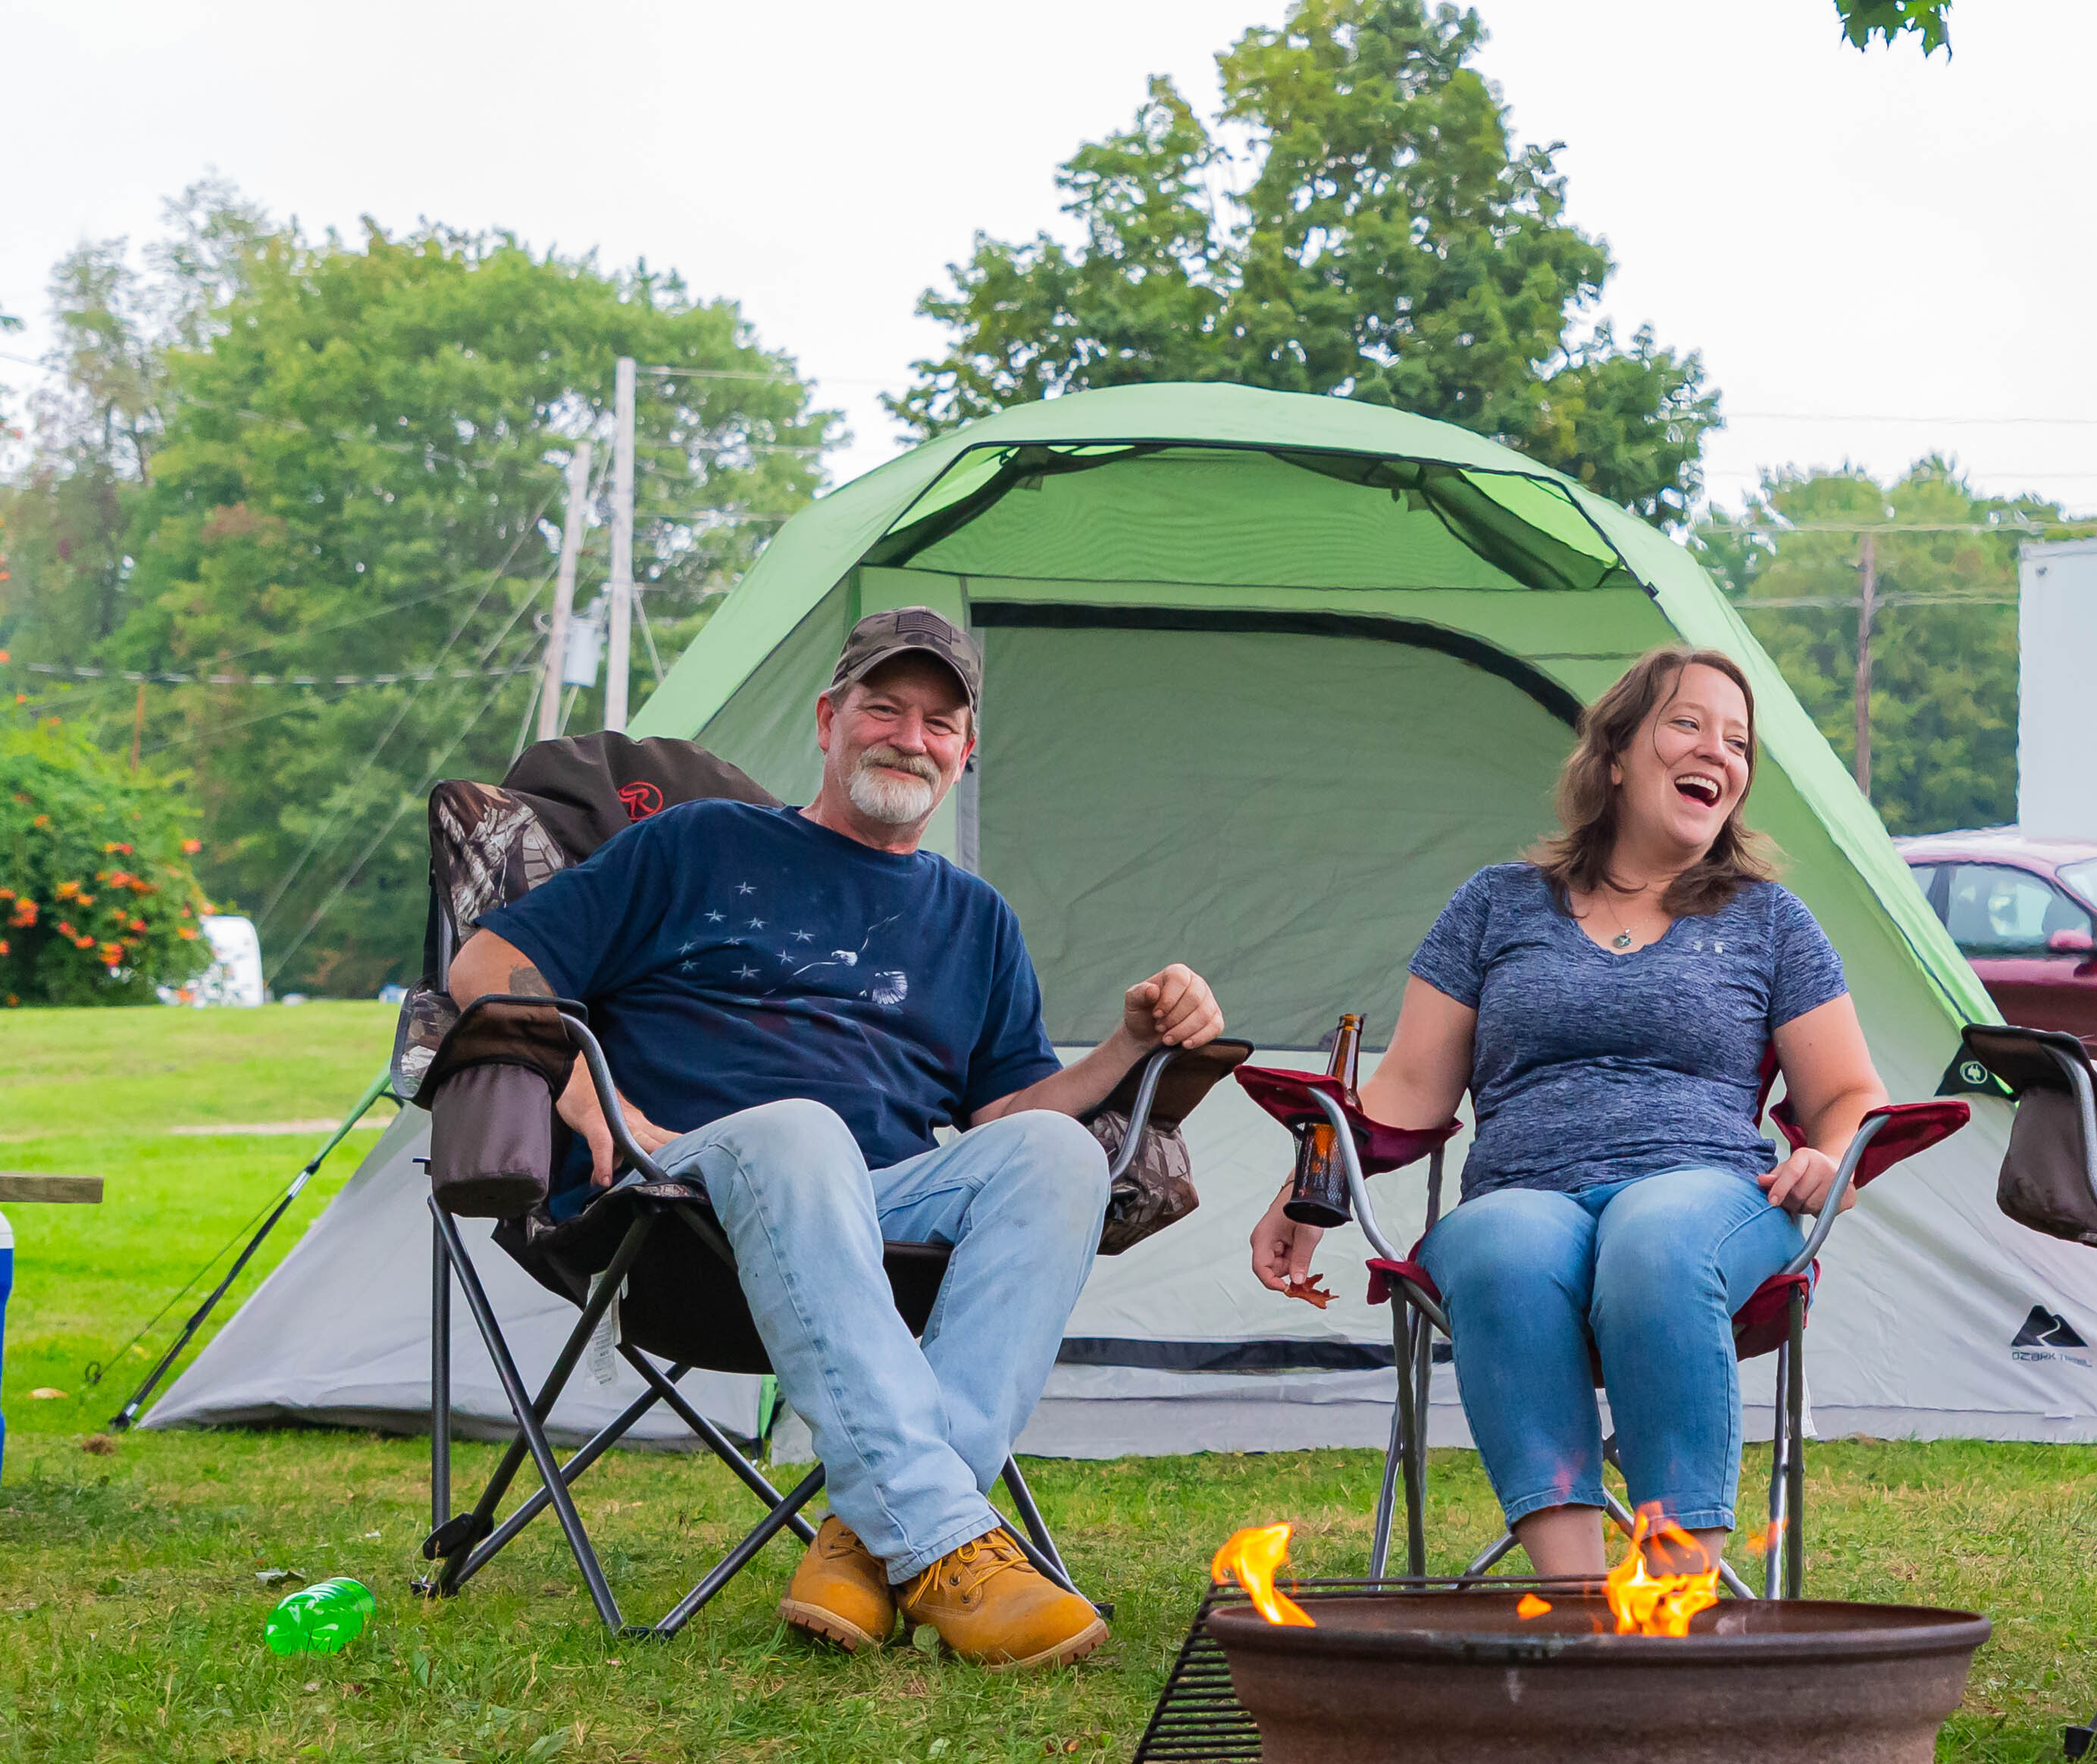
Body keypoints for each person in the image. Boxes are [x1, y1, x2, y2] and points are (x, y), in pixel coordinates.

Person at [446, 607, 1225, 1669]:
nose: (911, 735)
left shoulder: (975, 917)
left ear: (965, 751)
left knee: (1058, 1152)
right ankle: (950, 1540)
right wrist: (586, 1086)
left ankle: (868, 1536)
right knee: (801, 1131)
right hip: (677, 1191)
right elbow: (484, 964)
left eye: (939, 721)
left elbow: (1002, 1120)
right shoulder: (697, 840)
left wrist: (1129, 1042)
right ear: (827, 719)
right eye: (883, 707)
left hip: (875, 1204)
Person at [1245, 646, 1889, 1578]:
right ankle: (1581, 1602)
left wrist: (1832, 1156)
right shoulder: (1495, 904)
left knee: (1654, 1234)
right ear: (1617, 752)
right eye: (1687, 723)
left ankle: (1676, 1602)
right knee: (1501, 1245)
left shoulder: (1769, 921)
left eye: (1738, 741)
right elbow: (1404, 1093)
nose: (1719, 749)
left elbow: (1846, 1095)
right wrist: (1313, 1189)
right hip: (1522, 1190)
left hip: (1706, 1190)